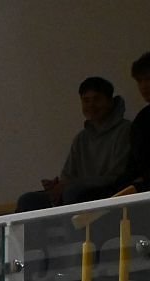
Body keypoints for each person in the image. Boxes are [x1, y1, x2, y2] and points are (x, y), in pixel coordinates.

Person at [15, 76, 133, 211]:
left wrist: (72, 184)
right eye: (86, 101)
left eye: (97, 99)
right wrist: (56, 186)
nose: (91, 105)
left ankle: (72, 225)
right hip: (75, 193)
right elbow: (68, 176)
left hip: (109, 194)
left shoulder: (125, 130)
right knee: (28, 200)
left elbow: (117, 176)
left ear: (110, 102)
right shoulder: (81, 138)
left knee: (72, 192)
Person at [118, 53, 150, 196]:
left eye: (148, 79)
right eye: (140, 81)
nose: (144, 86)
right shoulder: (143, 119)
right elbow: (134, 163)